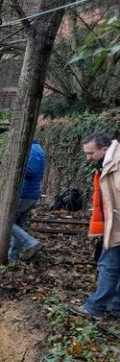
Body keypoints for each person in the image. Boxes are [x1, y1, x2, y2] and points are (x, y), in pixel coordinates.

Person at [70, 133, 120, 319]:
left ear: (105, 150)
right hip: (113, 224)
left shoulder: (115, 166)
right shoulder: (106, 165)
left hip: (116, 225)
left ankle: (95, 308)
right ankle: (115, 306)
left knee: (108, 266)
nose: (88, 158)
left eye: (91, 153)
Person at [9, 140, 46, 262]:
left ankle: (30, 242)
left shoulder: (32, 149)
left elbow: (31, 170)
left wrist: (15, 165)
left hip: (25, 193)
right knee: (18, 225)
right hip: (29, 193)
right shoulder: (36, 148)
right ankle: (13, 258)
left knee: (7, 223)